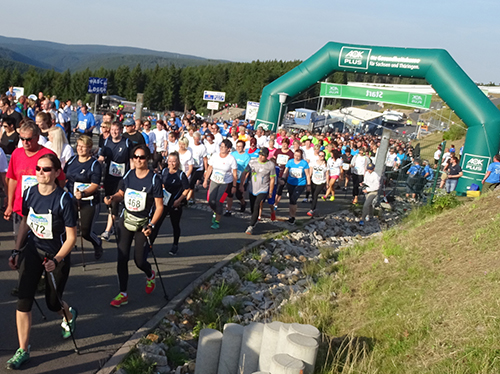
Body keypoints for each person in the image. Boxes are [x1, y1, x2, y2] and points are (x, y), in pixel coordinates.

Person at [7, 154, 77, 370]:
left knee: (52, 303)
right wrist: (17, 250)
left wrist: (56, 259)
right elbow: (26, 223)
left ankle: (68, 312)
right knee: (24, 300)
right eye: (38, 168)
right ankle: (23, 349)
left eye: (46, 169)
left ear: (57, 173)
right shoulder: (30, 192)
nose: (40, 173)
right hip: (33, 251)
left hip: (57, 255)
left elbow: (72, 237)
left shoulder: (64, 200)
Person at [104, 145, 163, 307]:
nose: (138, 160)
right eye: (135, 157)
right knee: (122, 258)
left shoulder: (154, 179)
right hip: (126, 220)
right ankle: (123, 293)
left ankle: (149, 274)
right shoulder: (129, 174)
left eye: (142, 157)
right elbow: (121, 193)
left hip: (143, 224)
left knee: (139, 261)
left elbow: (159, 206)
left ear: (148, 159)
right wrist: (112, 198)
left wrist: (151, 224)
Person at [4, 121, 66, 235]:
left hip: (42, 209)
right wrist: (9, 204)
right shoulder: (16, 153)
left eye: (28, 139)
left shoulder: (48, 155)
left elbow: (60, 180)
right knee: (20, 244)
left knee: (42, 246)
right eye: (22, 139)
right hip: (21, 206)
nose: (25, 142)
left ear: (37, 138)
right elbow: (12, 179)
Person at [64, 135, 103, 260]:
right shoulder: (71, 161)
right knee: (68, 228)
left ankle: (97, 243)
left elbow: (95, 185)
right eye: (78, 145)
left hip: (89, 201)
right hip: (71, 200)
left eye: (83, 146)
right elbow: (64, 177)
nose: (80, 148)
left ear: (89, 148)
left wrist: (84, 193)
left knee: (85, 232)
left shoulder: (94, 164)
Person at [149, 152, 189, 255]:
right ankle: (149, 245)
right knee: (156, 224)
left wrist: (179, 200)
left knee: (175, 225)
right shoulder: (165, 171)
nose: (171, 163)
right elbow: (161, 183)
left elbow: (186, 189)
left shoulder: (181, 174)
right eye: (170, 161)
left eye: (174, 161)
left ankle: (175, 245)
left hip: (175, 203)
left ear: (178, 162)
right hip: (164, 202)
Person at [98, 122, 133, 241]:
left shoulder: (127, 143)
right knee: (109, 200)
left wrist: (133, 174)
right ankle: (112, 225)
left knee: (114, 201)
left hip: (122, 177)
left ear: (121, 130)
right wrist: (96, 164)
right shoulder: (107, 141)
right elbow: (102, 157)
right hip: (109, 176)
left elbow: (131, 160)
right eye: (112, 130)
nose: (114, 132)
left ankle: (108, 229)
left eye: (116, 130)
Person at [203, 139, 237, 230]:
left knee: (219, 201)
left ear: (228, 149)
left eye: (223, 147)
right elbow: (210, 168)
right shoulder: (215, 156)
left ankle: (217, 221)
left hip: (225, 183)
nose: (221, 148)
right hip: (214, 180)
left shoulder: (231, 159)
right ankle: (216, 212)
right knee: (210, 200)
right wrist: (205, 180)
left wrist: (234, 186)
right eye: (220, 146)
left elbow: (234, 174)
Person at [240, 148, 276, 234]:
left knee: (257, 204)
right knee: (252, 206)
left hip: (263, 188)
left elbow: (272, 179)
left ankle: (251, 226)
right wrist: (241, 184)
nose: (261, 157)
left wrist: (270, 191)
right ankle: (254, 219)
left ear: (267, 156)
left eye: (263, 155)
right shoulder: (252, 162)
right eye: (260, 154)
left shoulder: (270, 165)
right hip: (252, 187)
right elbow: (244, 173)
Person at [282, 149, 311, 224]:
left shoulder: (304, 163)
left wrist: (308, 185)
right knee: (291, 200)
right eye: (295, 155)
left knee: (293, 199)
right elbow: (285, 172)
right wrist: (282, 179)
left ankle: (293, 217)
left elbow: (307, 175)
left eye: (298, 156)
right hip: (290, 183)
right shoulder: (290, 162)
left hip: (300, 184)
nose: (296, 157)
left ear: (301, 156)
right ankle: (291, 216)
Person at [226, 140, 251, 216]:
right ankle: (228, 210)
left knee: (238, 195)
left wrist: (243, 182)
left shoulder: (247, 157)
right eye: (237, 146)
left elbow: (247, 170)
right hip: (232, 177)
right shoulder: (233, 154)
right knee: (229, 194)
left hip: (241, 179)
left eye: (240, 146)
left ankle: (243, 203)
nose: (238, 148)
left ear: (243, 147)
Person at [187, 132, 208, 204]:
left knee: (191, 183)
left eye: (198, 139)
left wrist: (206, 170)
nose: (196, 140)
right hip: (190, 166)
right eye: (195, 139)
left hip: (198, 167)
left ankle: (188, 199)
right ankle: (192, 198)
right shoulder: (190, 146)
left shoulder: (202, 147)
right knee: (189, 183)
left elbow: (205, 159)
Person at [273, 138, 294, 209]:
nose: (284, 145)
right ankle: (273, 201)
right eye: (283, 143)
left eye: (286, 144)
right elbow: (273, 159)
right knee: (274, 188)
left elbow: (291, 163)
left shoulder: (290, 153)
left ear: (288, 145)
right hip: (276, 171)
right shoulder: (278, 151)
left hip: (285, 173)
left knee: (280, 189)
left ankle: (275, 203)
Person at [307, 150, 329, 217]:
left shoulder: (326, 164)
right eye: (320, 155)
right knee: (313, 195)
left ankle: (312, 209)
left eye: (322, 156)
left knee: (316, 194)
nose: (321, 157)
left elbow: (327, 174)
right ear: (318, 156)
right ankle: (314, 208)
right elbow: (310, 172)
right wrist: (309, 180)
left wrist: (327, 183)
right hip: (314, 180)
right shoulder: (314, 163)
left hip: (321, 181)